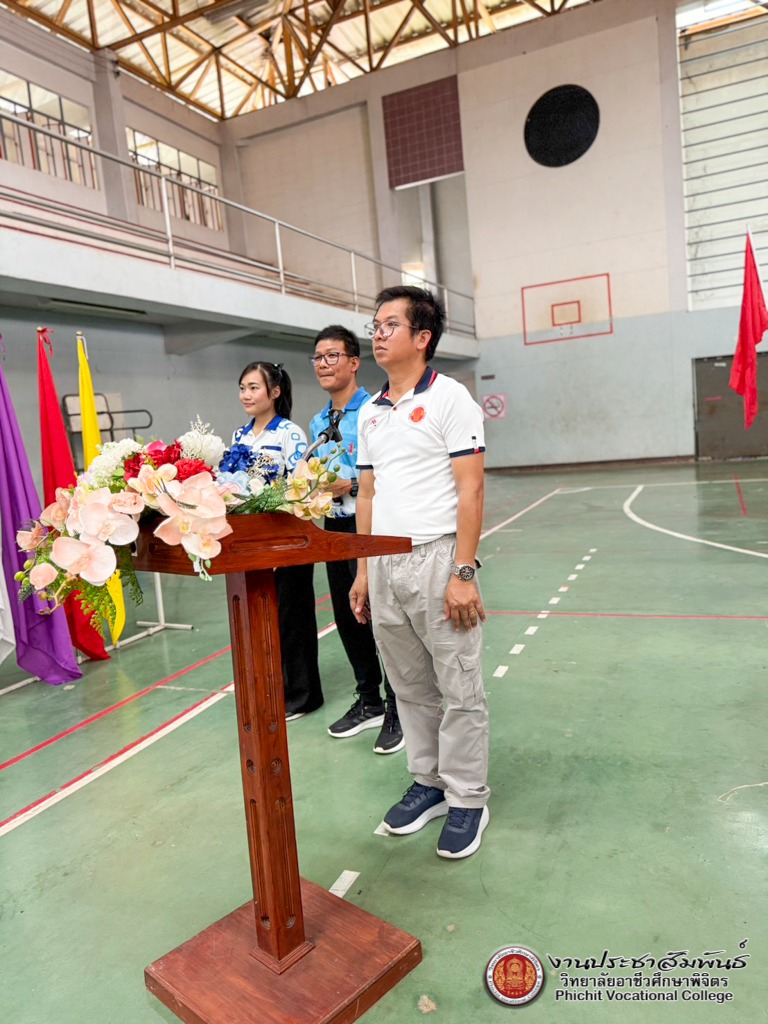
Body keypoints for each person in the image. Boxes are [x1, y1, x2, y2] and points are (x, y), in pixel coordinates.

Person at [350, 286, 490, 860]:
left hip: (438, 557)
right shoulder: (370, 411)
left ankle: (468, 798)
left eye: (390, 324)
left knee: (458, 684)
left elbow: (471, 489)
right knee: (408, 685)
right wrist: (363, 570)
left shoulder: (451, 398)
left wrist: (464, 570)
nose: (378, 334)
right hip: (383, 563)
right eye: (375, 324)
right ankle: (429, 782)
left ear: (422, 336)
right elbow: (366, 493)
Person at [309, 325, 404, 754]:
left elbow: (392, 472)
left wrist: (348, 485)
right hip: (334, 528)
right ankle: (369, 700)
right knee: (349, 618)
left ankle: (399, 707)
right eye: (318, 357)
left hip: (371, 526)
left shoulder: (376, 410)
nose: (324, 364)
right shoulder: (318, 422)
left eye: (332, 356)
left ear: (353, 362)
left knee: (382, 618)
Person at [231, 361, 324, 721]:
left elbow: (302, 484)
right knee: (261, 617)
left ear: (275, 392)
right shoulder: (240, 436)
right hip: (253, 541)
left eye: (254, 387)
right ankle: (275, 689)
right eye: (243, 388)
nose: (246, 395)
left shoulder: (290, 434)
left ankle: (304, 695)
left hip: (289, 538)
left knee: (292, 618)